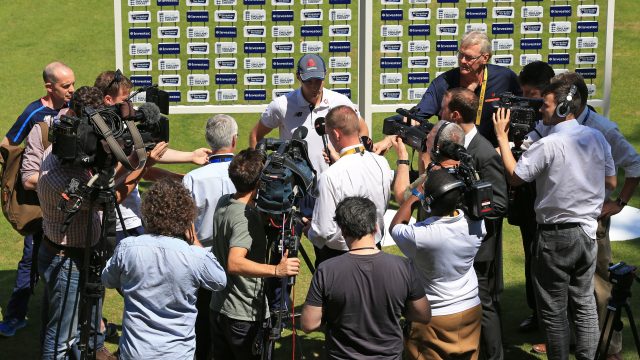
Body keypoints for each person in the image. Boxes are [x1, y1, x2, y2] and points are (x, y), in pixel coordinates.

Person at [493, 75, 617, 360]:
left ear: (563, 108)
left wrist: (501, 137)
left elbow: (515, 177)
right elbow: (610, 182)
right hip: (588, 234)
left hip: (554, 237)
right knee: (585, 305)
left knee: (554, 311)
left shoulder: (548, 144)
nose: (540, 110)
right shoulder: (596, 137)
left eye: (546, 106)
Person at [37, 86, 163, 360]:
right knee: (61, 335)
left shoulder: (63, 149)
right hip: (67, 260)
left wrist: (129, 158)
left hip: (73, 251)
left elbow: (107, 177)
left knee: (72, 321)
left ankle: (92, 347)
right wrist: (141, 165)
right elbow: (112, 196)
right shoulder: (72, 177)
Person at [101, 178, 227, 359]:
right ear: (186, 217)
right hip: (176, 353)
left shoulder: (128, 247)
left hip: (135, 351)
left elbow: (107, 280)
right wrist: (196, 242)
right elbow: (219, 280)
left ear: (147, 211)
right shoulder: (194, 256)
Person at [302, 196, 431, 359]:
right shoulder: (403, 266)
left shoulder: (327, 270)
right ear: (376, 227)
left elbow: (309, 324)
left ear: (343, 231)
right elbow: (423, 315)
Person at [0, 62, 74, 338]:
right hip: (39, 203)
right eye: (66, 86)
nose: (71, 90)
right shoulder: (34, 112)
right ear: (49, 86)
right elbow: (8, 145)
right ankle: (15, 316)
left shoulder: (73, 108)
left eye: (73, 84)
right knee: (30, 259)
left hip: (67, 200)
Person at [94, 70, 212, 242]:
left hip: (132, 217)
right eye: (125, 100)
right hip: (114, 222)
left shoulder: (123, 122)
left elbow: (146, 152)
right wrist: (144, 164)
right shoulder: (99, 133)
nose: (130, 105)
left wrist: (191, 156)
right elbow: (125, 167)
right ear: (108, 100)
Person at [210, 149, 300, 360]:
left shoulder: (225, 201)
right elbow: (234, 262)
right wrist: (277, 270)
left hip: (220, 308)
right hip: (243, 315)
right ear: (260, 182)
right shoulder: (245, 218)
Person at [440, 87, 509, 359]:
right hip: (457, 244)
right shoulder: (452, 144)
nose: (439, 113)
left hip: (478, 248)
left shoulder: (483, 152)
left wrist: (461, 208)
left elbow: (500, 204)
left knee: (484, 305)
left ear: (455, 114)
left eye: (444, 109)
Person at [391, 169, 486, 360]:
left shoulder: (421, 236)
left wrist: (415, 194)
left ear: (428, 201)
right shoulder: (477, 225)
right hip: (471, 311)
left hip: (433, 317)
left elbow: (396, 226)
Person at [249, 54, 368, 176]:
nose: (314, 86)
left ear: (325, 74)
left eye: (318, 80)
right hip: (293, 188)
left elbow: (362, 130)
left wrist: (347, 158)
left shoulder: (340, 102)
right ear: (298, 77)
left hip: (335, 182)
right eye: (309, 81)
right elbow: (255, 136)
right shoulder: (281, 105)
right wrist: (258, 173)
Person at [305, 105, 393, 265]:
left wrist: (309, 231)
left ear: (336, 134)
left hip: (337, 258)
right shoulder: (382, 163)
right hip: (375, 249)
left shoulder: (330, 176)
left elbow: (323, 231)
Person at [182, 114, 237, 360]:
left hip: (202, 256)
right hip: (242, 257)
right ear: (234, 141)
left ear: (208, 140)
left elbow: (185, 224)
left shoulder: (193, 178)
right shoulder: (250, 172)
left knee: (203, 321)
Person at [415, 31, 521, 148]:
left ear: (485, 58)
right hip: (454, 155)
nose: (462, 61)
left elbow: (525, 109)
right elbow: (417, 115)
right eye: (461, 54)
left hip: (494, 154)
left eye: (469, 57)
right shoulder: (443, 83)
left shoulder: (505, 78)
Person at [512, 61, 556, 334]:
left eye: (531, 95)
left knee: (550, 267)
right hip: (530, 202)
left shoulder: (562, 120)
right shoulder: (529, 118)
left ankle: (555, 327)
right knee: (531, 257)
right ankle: (537, 314)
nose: (526, 101)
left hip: (554, 205)